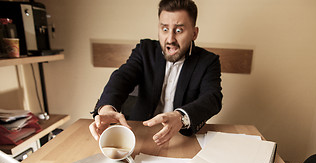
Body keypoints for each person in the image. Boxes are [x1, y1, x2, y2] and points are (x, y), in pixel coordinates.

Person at [89, 0, 222, 146]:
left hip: (182, 139)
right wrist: (107, 108)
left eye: (178, 30)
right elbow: (122, 77)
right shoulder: (144, 50)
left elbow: (212, 98)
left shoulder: (208, 61)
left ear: (194, 33)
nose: (170, 39)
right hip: (139, 134)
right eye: (165, 29)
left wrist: (181, 117)